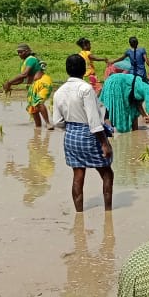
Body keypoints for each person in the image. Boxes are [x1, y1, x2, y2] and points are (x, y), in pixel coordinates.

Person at [52, 54, 115, 211]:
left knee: (78, 174)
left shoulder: (59, 92)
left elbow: (57, 122)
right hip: (89, 134)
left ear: (67, 70)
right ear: (84, 70)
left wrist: (73, 128)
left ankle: (79, 213)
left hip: (70, 135)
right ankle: (108, 212)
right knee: (107, 173)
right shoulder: (85, 89)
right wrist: (104, 144)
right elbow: (94, 120)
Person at [100, 69, 149, 133]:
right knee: (113, 109)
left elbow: (137, 103)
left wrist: (144, 115)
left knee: (133, 110)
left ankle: (135, 131)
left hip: (116, 79)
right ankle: (109, 133)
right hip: (116, 83)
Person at [3, 44, 51, 128]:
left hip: (42, 82)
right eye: (18, 53)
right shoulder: (25, 62)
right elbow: (21, 80)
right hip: (32, 85)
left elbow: (24, 74)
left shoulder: (31, 59)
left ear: (27, 51)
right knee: (33, 109)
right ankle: (38, 128)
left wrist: (9, 82)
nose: (19, 54)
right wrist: (9, 85)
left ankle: (48, 123)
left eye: (21, 52)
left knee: (38, 102)